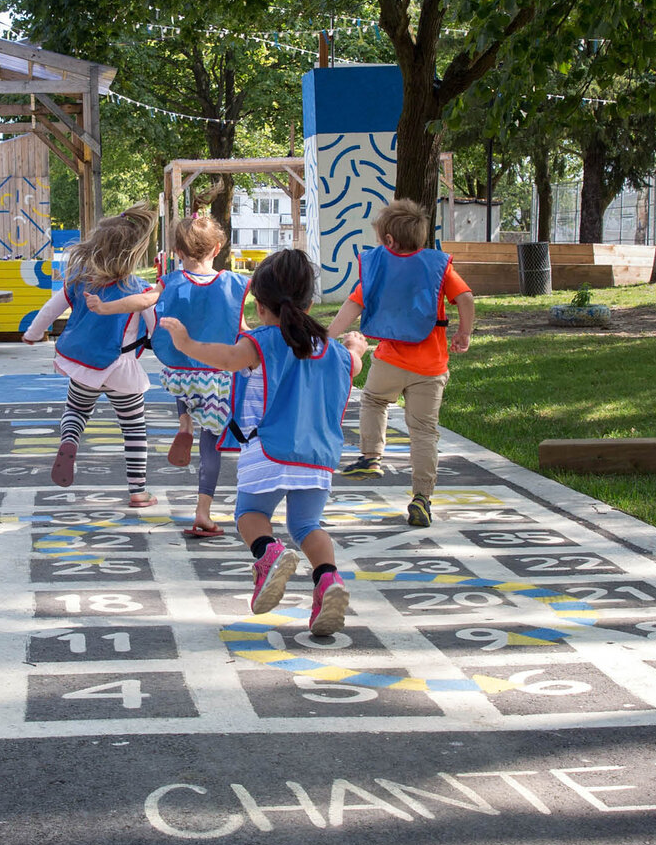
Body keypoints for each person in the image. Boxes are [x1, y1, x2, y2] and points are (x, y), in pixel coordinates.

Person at [160, 249, 364, 636]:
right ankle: (328, 579)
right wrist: (356, 347)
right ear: (309, 302)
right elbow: (353, 364)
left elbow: (227, 359)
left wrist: (186, 344)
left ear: (259, 306)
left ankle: (268, 553)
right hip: (318, 457)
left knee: (250, 515)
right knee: (307, 525)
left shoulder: (263, 342)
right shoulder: (332, 350)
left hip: (268, 449)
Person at [328, 198, 474, 528]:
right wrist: (464, 333)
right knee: (424, 432)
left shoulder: (379, 267)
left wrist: (326, 336)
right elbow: (465, 298)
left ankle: (371, 456)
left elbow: (353, 305)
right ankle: (422, 497)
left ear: (389, 241)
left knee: (374, 400)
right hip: (431, 367)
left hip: (390, 361)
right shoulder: (439, 267)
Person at [23, 205, 157, 507]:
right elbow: (156, 327)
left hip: (84, 367)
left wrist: (32, 334)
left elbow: (49, 310)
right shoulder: (139, 290)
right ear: (133, 253)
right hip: (123, 370)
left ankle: (70, 439)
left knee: (76, 410)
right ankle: (138, 491)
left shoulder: (78, 282)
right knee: (134, 428)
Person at [141, 213, 244, 537]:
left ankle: (184, 421)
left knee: (182, 371)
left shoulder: (171, 281)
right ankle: (203, 512)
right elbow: (243, 328)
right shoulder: (233, 284)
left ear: (177, 252)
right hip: (217, 377)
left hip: (181, 374)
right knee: (211, 445)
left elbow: (145, 300)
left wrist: (105, 307)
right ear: (217, 249)